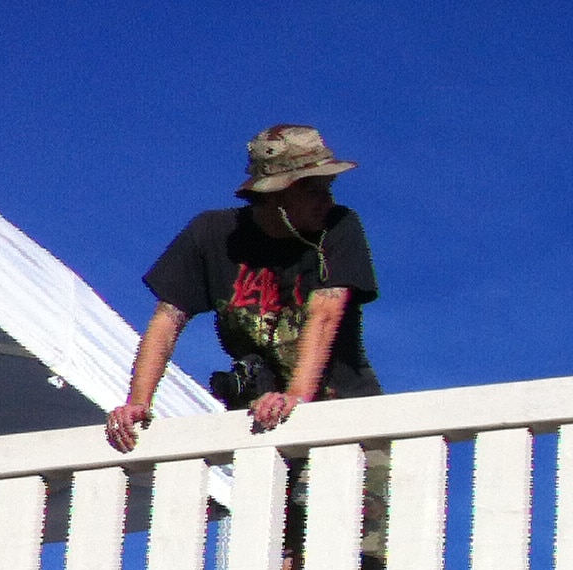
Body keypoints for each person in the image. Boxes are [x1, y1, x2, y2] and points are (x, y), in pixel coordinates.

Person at [107, 125, 382, 452]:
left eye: (328, 187)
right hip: (262, 422)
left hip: (349, 413)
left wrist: (295, 399)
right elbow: (167, 322)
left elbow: (325, 315)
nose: (327, 200)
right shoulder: (211, 235)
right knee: (270, 502)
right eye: (312, 190)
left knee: (364, 502)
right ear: (275, 194)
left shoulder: (339, 227)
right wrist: (138, 403)